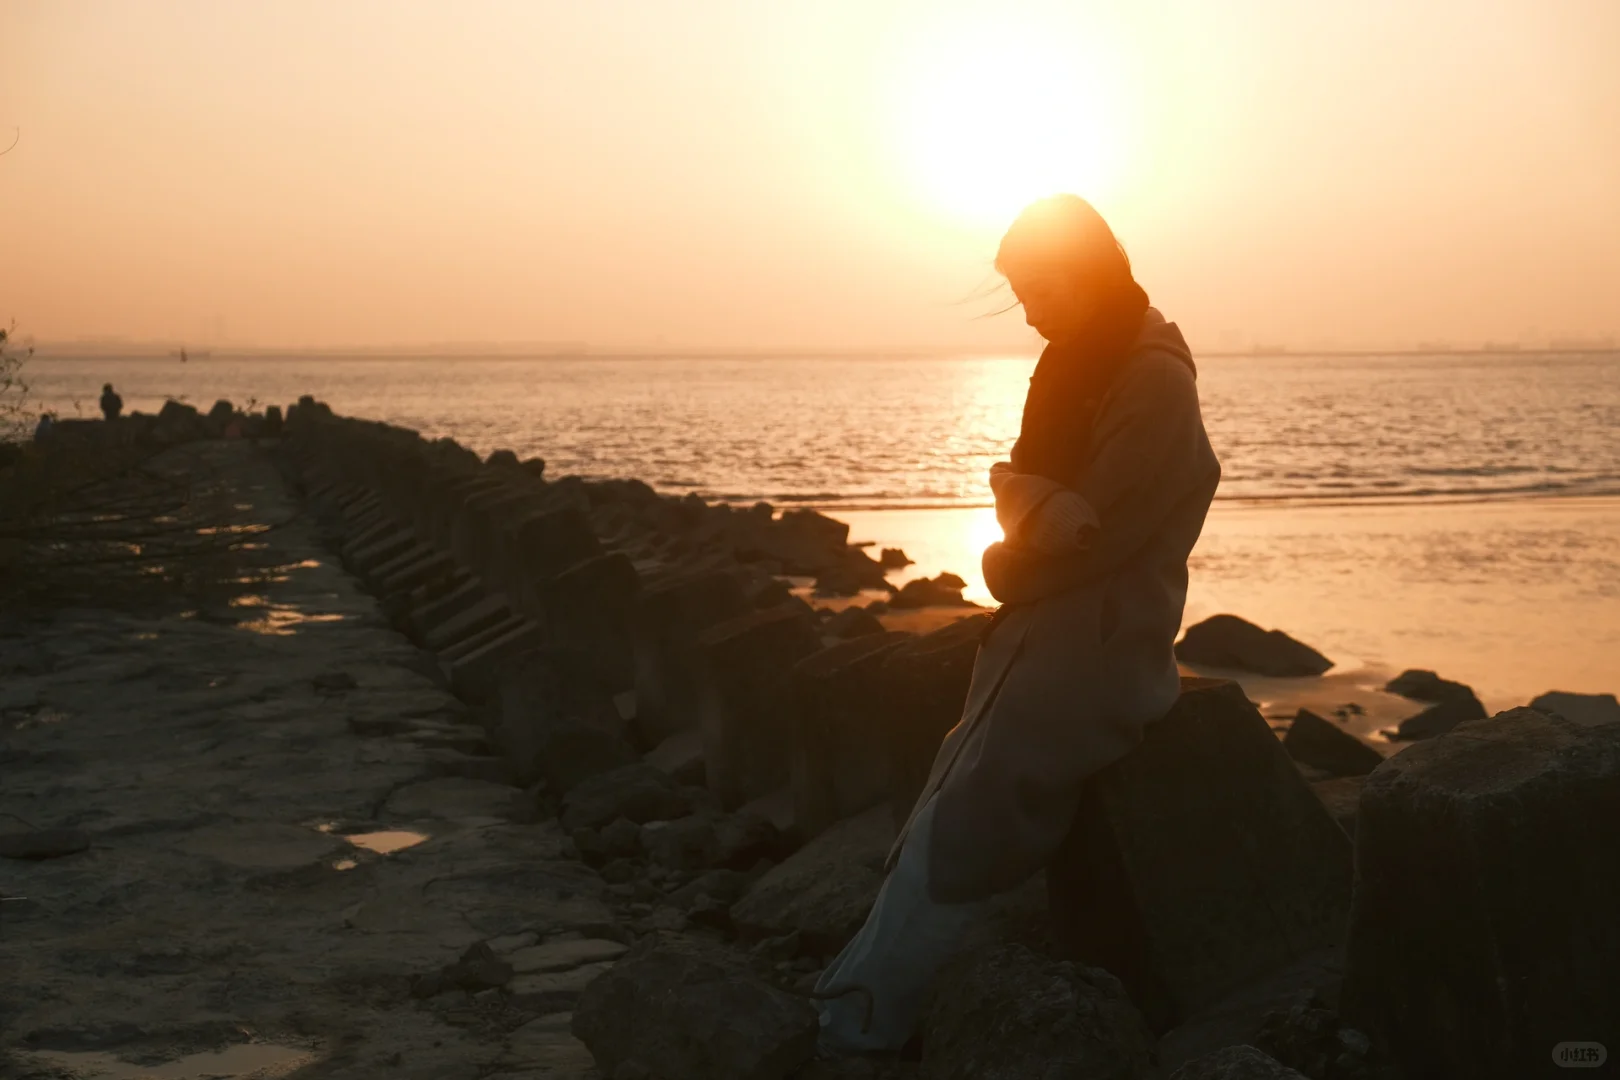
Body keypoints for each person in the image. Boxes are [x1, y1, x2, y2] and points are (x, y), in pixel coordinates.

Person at [814, 194, 1221, 1056]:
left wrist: (1012, 545)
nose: (1032, 310)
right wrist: (1027, 504)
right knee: (946, 803)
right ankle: (857, 999)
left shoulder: (1147, 376)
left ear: (1093, 272)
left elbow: (1096, 531)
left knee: (967, 820)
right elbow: (1044, 504)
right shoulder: (1084, 364)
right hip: (1051, 631)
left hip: (1099, 647)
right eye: (1020, 292)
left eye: (1044, 286)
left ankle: (862, 1023)